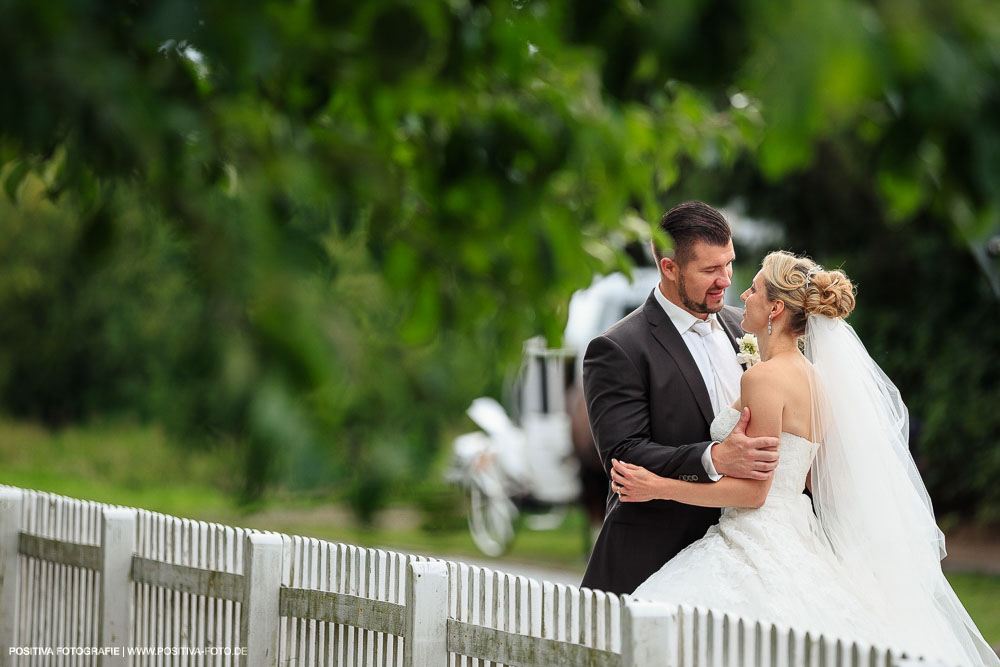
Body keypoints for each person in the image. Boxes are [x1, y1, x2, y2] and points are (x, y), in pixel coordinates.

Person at [612, 251, 999, 665]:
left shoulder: (763, 377)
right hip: (797, 530)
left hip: (752, 537)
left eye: (755, 289)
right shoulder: (815, 379)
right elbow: (808, 475)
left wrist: (658, 487)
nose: (743, 294)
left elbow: (754, 494)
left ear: (775, 308)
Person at [580, 201, 780, 595]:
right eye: (709, 270)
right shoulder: (617, 349)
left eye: (729, 264)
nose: (726, 280)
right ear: (669, 268)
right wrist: (714, 458)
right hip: (655, 561)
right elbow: (625, 456)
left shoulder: (747, 327)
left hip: (748, 557)